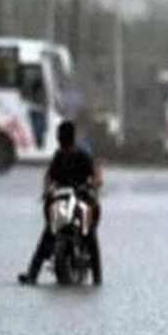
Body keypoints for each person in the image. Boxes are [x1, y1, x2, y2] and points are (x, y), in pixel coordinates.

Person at [18, 120, 103, 285]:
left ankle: (97, 278)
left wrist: (93, 185)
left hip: (80, 199)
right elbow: (49, 177)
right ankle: (32, 274)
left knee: (90, 234)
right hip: (62, 201)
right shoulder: (58, 156)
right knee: (48, 232)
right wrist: (46, 191)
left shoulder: (82, 155)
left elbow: (96, 172)